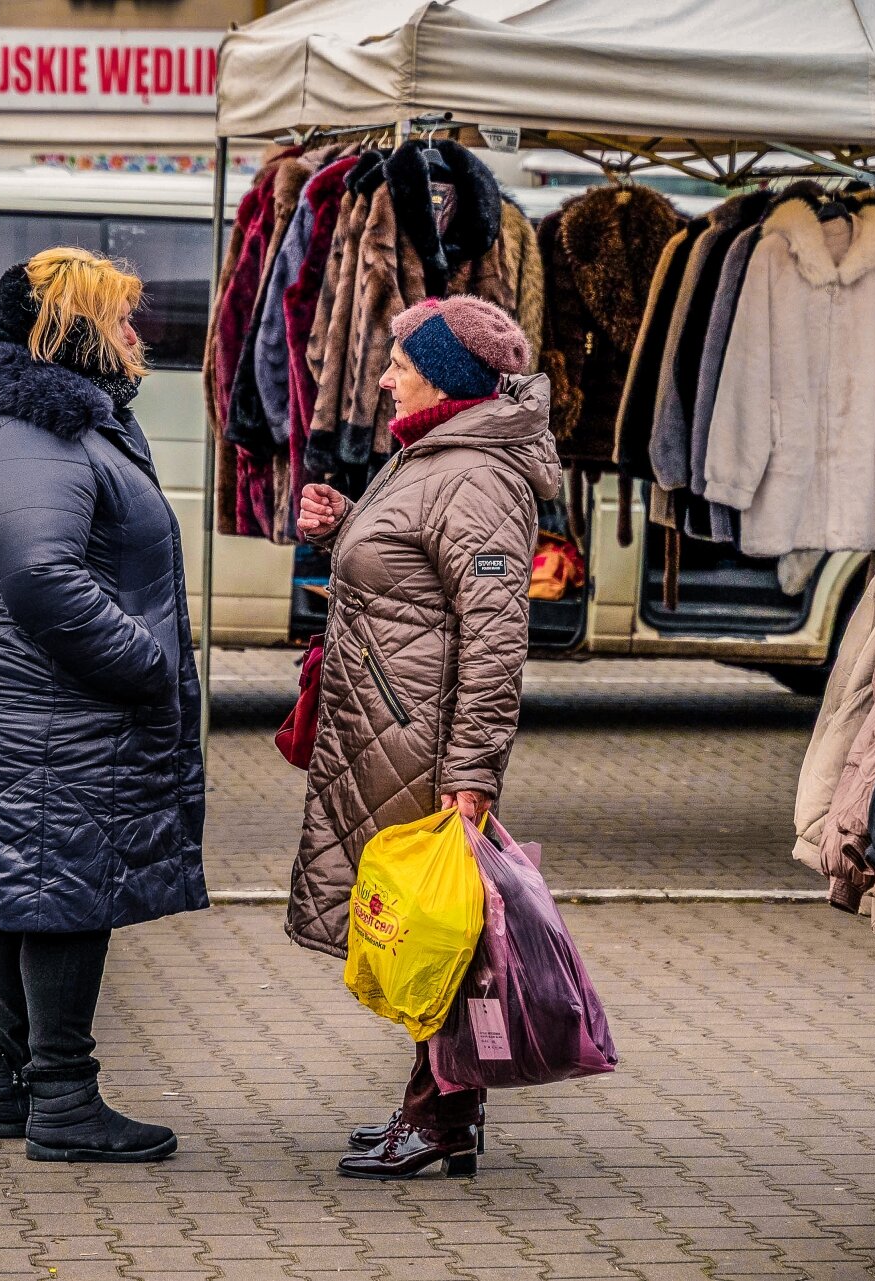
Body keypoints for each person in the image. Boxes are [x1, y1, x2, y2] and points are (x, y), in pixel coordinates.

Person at [0, 247, 208, 1164]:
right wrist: (144, 662)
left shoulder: (59, 424)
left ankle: (10, 1083)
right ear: (71, 331)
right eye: (117, 318)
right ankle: (65, 1101)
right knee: (66, 897)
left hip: (35, 711)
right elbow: (43, 579)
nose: (135, 334)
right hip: (51, 714)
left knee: (28, 891)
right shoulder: (36, 435)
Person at [291, 295, 559, 1180]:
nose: (381, 378)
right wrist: (347, 525)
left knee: (437, 927)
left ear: (443, 379)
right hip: (393, 727)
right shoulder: (434, 453)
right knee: (428, 922)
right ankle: (446, 1108)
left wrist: (471, 768)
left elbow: (496, 636)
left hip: (426, 740)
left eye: (399, 365)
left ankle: (437, 1115)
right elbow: (414, 568)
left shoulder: (477, 476)